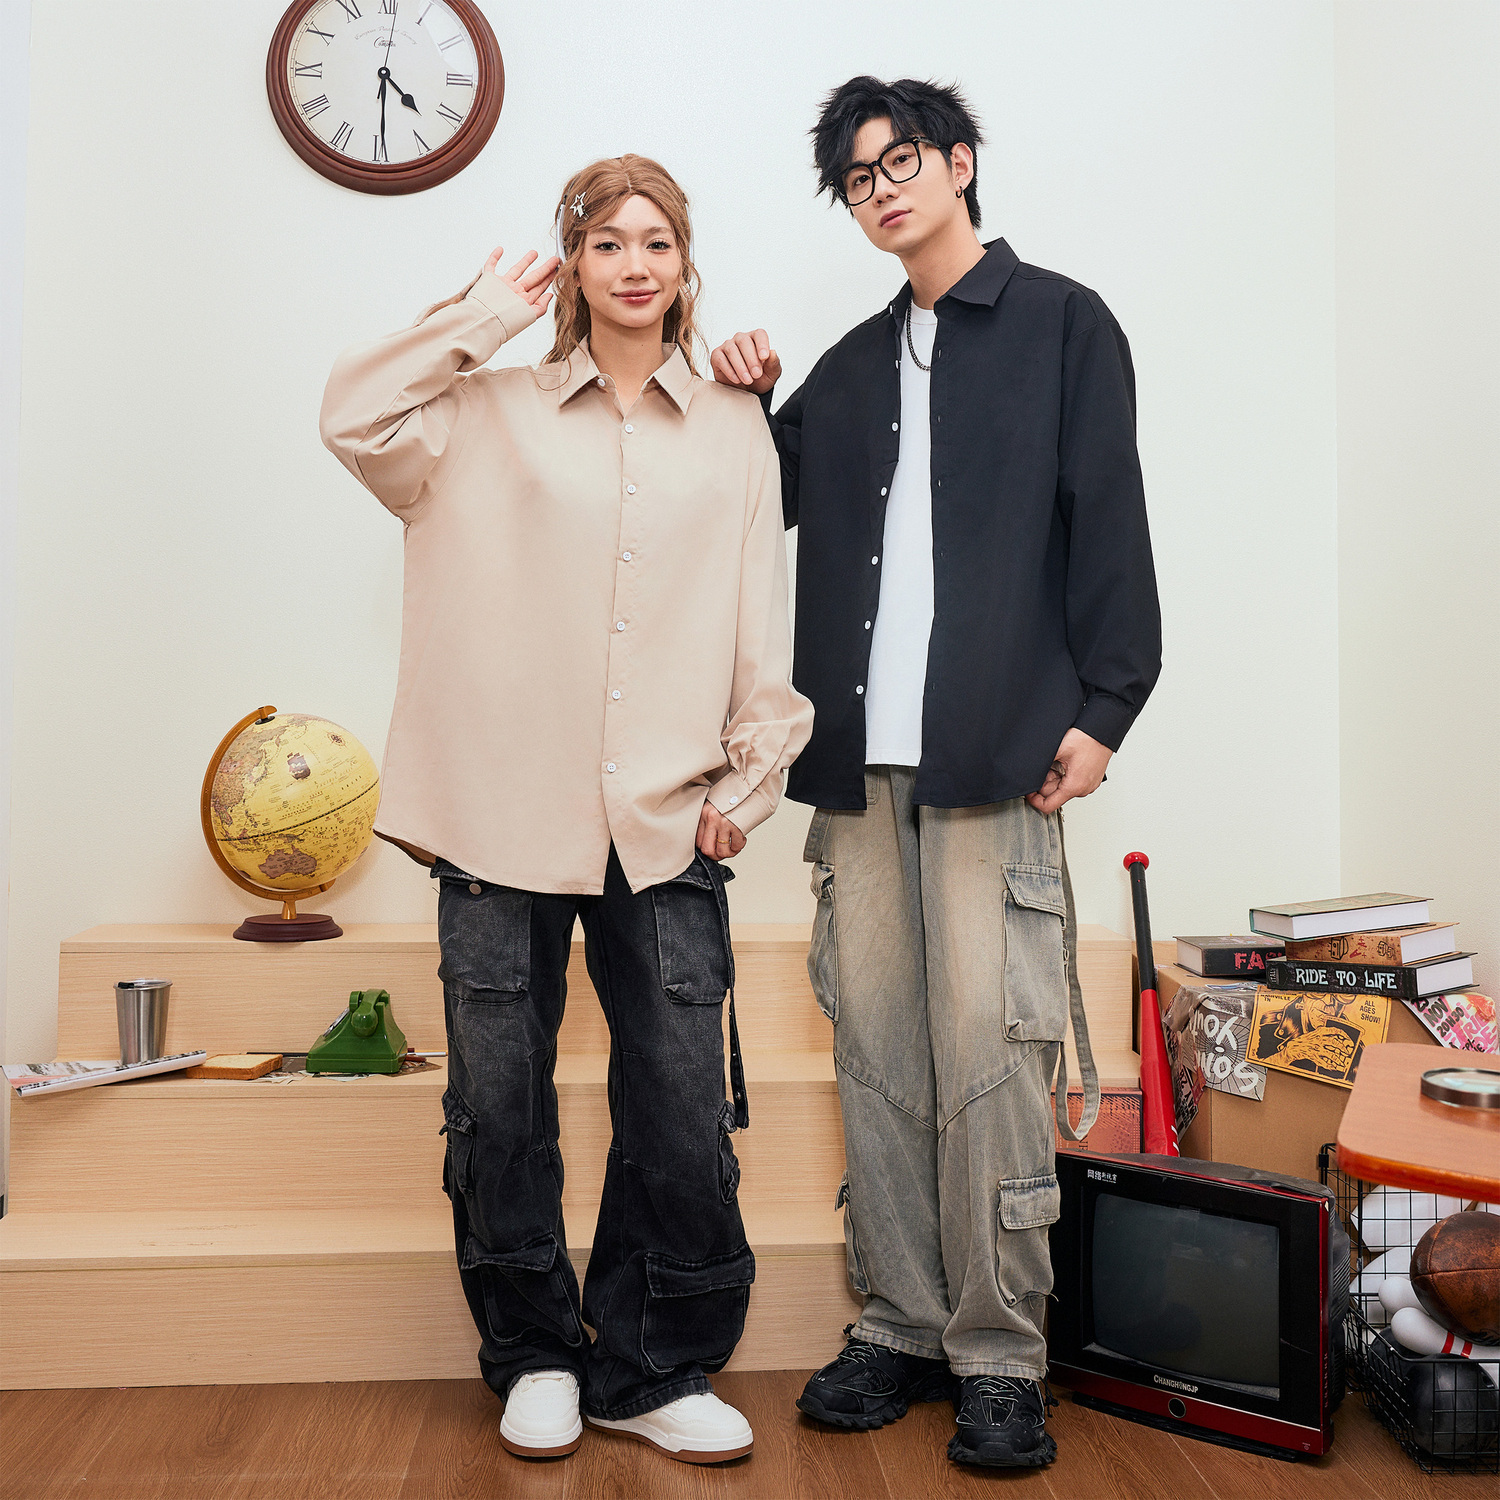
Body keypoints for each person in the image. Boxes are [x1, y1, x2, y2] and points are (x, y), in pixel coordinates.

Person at [321, 154, 813, 1466]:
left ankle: (649, 1368)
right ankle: (535, 1351)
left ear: (686, 263)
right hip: (498, 813)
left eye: (657, 241)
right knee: (500, 1109)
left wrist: (749, 781)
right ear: (575, 266)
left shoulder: (735, 427)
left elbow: (760, 626)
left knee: (682, 1114)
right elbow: (351, 415)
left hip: (667, 820)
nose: (634, 265)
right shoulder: (479, 410)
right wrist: (484, 309)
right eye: (607, 243)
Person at [711, 76, 1161, 1469]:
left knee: (992, 1056)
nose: (882, 190)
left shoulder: (1064, 324)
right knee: (880, 1052)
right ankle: (899, 1324)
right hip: (859, 769)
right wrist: (746, 399)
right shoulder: (851, 367)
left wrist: (1108, 705)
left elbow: (1110, 512)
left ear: (959, 163)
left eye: (899, 160)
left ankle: (1001, 1352)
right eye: (858, 179)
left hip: (997, 751)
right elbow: (761, 497)